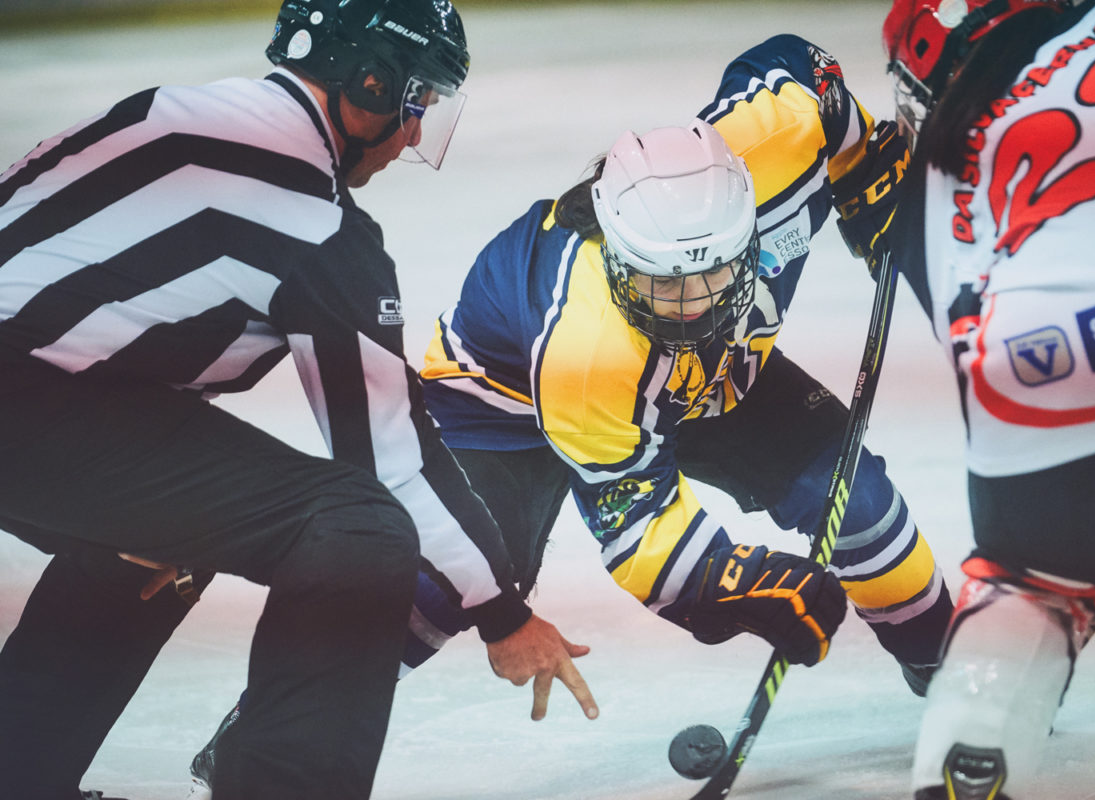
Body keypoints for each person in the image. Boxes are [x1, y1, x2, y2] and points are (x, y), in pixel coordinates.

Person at [184, 34, 957, 798]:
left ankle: (956, 676)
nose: (688, 309)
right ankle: (269, 733)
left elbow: (803, 70)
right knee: (451, 576)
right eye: (662, 286)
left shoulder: (779, 133)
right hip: (505, 398)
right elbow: (639, 529)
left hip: (711, 376)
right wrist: (734, 584)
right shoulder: (588, 348)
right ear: (619, 256)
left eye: (710, 278)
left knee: (855, 501)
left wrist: (864, 168)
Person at [0, 1, 599, 798]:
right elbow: (393, 465)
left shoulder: (159, 111)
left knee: (156, 533)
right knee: (354, 527)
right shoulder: (317, 228)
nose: (416, 133)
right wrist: (502, 613)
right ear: (371, 85)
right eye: (418, 103)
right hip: (27, 405)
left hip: (41, 399)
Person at [880, 0, 1095, 797]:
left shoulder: (945, 159)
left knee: (1033, 588)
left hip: (1068, 343)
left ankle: (975, 741)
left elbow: (974, 337)